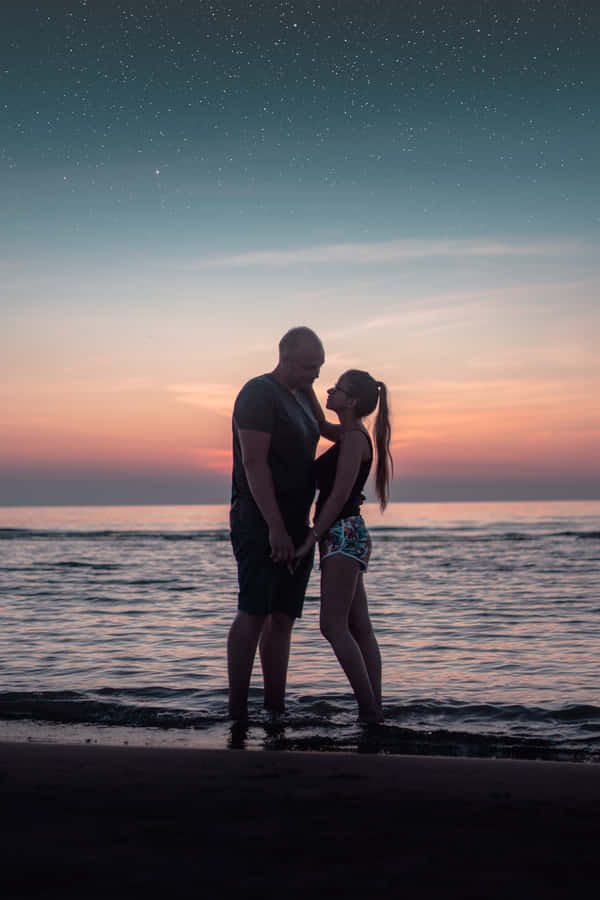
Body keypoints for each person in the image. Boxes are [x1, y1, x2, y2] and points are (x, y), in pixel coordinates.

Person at [227, 326, 325, 721]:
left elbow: (330, 431)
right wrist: (275, 527)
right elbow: (253, 462)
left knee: (283, 616)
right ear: (284, 359)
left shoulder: (304, 394)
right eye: (307, 367)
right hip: (259, 521)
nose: (315, 374)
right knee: (254, 610)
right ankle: (237, 712)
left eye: (319, 367)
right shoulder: (258, 393)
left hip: (298, 521)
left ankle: (275, 708)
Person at [295, 370, 392, 723]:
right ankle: (374, 708)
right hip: (347, 535)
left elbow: (337, 496)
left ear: (351, 401)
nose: (330, 390)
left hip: (341, 534)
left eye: (338, 388)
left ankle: (369, 711)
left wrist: (312, 537)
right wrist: (304, 385)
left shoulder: (354, 440)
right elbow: (321, 425)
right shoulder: (349, 434)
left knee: (332, 626)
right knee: (358, 626)